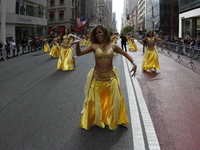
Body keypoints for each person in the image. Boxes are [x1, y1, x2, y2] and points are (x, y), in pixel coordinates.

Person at [74, 25, 137, 130]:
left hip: (110, 78)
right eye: (96, 33)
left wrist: (134, 64)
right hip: (97, 78)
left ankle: (120, 118)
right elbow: (79, 54)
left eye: (100, 32)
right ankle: (91, 119)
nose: (98, 35)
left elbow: (125, 54)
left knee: (116, 99)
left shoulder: (113, 46)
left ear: (105, 33)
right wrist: (77, 46)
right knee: (92, 101)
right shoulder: (94, 46)